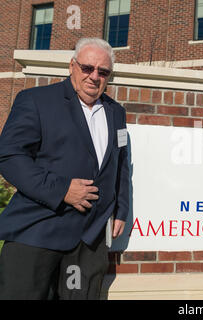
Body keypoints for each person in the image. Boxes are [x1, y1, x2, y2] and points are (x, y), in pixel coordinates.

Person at [0, 38, 129, 300]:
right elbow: (9, 155)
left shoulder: (116, 112)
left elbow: (121, 165)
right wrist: (61, 190)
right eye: (87, 68)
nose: (94, 77)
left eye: (103, 72)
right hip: (38, 231)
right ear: (72, 66)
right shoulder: (36, 100)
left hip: (88, 241)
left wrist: (121, 210)